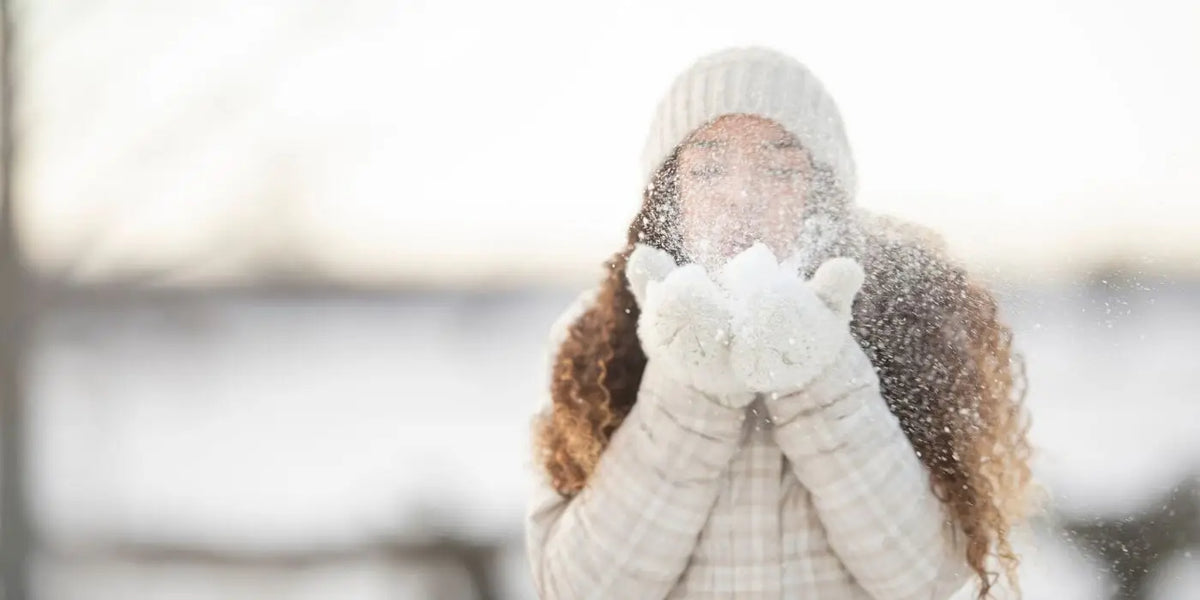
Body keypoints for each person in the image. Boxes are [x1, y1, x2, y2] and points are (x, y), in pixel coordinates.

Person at [525, 46, 1035, 599]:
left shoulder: (907, 322)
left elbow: (925, 580)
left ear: (823, 195)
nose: (742, 198)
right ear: (668, 192)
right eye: (710, 168)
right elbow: (579, 590)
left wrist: (818, 370)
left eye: (779, 169)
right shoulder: (595, 340)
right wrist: (688, 385)